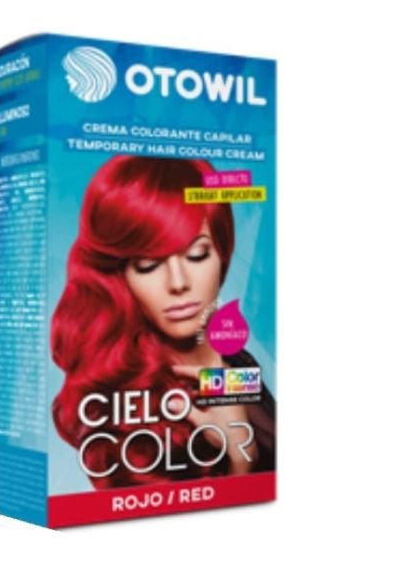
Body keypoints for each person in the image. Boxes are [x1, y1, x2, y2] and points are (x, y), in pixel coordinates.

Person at [51, 155, 275, 489]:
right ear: (121, 276)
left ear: (222, 252)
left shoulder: (235, 360)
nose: (178, 282)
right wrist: (242, 459)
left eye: (197, 254)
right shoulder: (127, 407)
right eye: (148, 265)